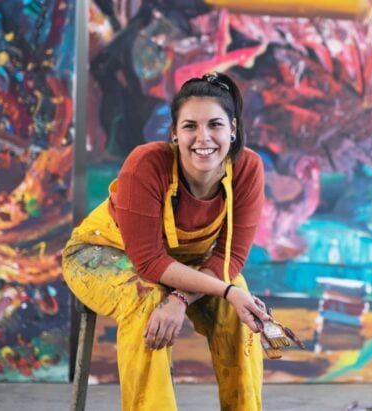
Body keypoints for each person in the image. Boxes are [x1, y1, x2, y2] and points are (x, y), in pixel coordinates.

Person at [62, 72, 269, 410]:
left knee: (237, 309)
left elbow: (229, 260)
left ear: (233, 128)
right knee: (148, 302)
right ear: (174, 133)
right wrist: (219, 291)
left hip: (182, 263)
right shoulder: (146, 164)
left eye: (215, 125)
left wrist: (182, 299)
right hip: (101, 254)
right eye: (190, 126)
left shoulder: (248, 169)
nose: (203, 137)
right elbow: (148, 262)